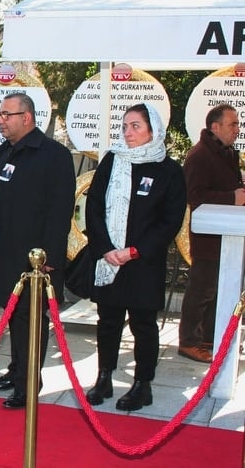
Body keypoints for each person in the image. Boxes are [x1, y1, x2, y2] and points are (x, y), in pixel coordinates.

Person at [0, 92, 75, 408]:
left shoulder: (53, 155)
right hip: (3, 252)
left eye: (7, 115)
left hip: (34, 259)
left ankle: (28, 383)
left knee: (30, 320)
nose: (0, 120)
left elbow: (60, 210)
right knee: (13, 317)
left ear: (27, 117)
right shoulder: (3, 151)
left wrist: (49, 256)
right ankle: (16, 370)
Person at [84, 103, 186, 411]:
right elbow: (94, 207)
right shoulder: (112, 160)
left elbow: (170, 220)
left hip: (143, 262)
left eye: (135, 126)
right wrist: (106, 248)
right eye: (125, 126)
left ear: (153, 130)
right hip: (109, 258)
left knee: (143, 324)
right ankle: (104, 376)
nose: (127, 132)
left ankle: (143, 384)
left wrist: (134, 250)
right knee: (108, 320)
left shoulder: (169, 170)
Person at [178, 103, 244, 363]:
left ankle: (209, 338)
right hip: (208, 236)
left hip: (227, 235)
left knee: (217, 290)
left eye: (238, 124)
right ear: (215, 126)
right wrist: (232, 198)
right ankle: (189, 342)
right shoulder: (199, 156)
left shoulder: (227, 153)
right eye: (233, 124)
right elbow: (193, 195)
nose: (237, 129)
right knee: (201, 290)